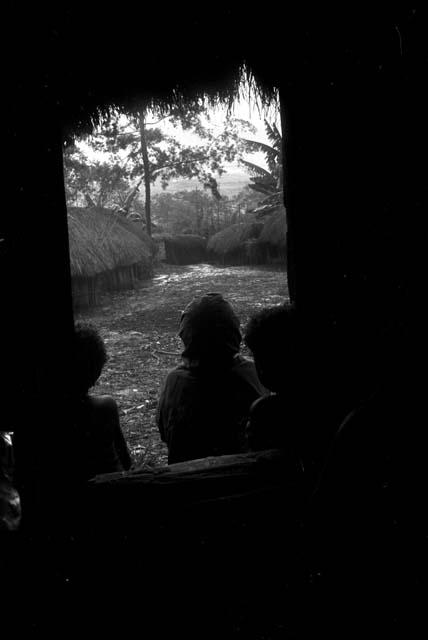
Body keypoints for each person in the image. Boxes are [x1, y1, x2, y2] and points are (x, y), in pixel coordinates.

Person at [156, 292, 265, 464]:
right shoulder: (254, 374)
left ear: (187, 336)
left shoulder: (174, 382)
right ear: (234, 332)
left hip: (189, 482)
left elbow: (164, 433)